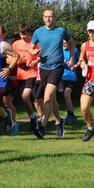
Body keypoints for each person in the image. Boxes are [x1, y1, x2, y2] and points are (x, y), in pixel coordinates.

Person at [30, 8, 76, 139]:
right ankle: (58, 121)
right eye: (46, 16)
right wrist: (33, 52)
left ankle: (42, 127)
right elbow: (31, 47)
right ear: (43, 18)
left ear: (54, 18)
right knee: (52, 99)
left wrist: (72, 57)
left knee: (48, 97)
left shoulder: (61, 31)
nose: (48, 19)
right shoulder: (38, 32)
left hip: (57, 67)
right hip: (44, 68)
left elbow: (72, 43)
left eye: (50, 16)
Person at [12, 25, 40, 132]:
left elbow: (40, 57)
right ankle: (32, 118)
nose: (23, 36)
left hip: (32, 73)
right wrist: (16, 62)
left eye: (25, 33)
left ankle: (34, 118)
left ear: (29, 33)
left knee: (25, 96)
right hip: (20, 74)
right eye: (21, 34)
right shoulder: (16, 44)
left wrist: (34, 62)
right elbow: (11, 56)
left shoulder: (34, 44)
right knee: (25, 99)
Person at [0, 25, 19, 136]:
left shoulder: (5, 46)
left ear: (3, 34)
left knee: (7, 103)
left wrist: (3, 56)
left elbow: (12, 60)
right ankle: (1, 123)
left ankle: (14, 124)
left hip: (4, 78)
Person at [60, 40, 80, 124]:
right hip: (60, 76)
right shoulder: (59, 50)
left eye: (66, 43)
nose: (64, 44)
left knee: (66, 94)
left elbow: (81, 60)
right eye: (63, 43)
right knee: (59, 93)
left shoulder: (74, 50)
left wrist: (75, 66)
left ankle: (70, 115)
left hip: (71, 76)